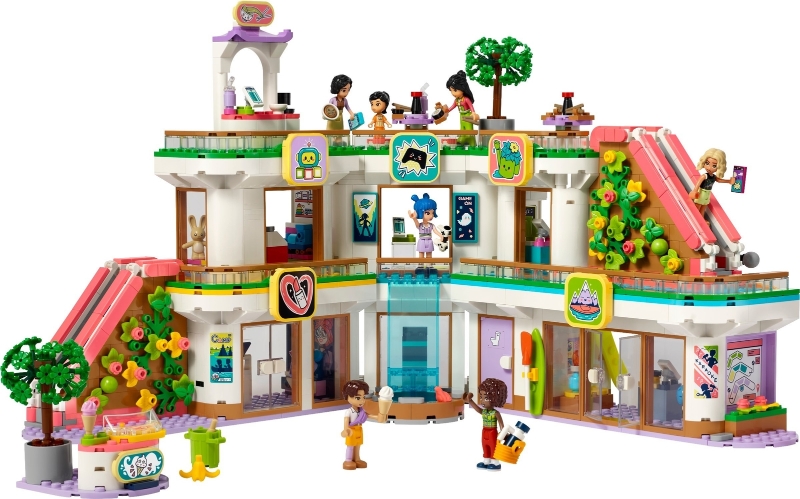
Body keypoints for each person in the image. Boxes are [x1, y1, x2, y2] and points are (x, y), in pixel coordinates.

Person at [341, 379, 387, 470]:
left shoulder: (361, 411)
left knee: (358, 445)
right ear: (348, 397)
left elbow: (368, 415)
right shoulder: (348, 412)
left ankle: (357, 459)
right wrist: (346, 430)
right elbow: (346, 422)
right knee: (350, 446)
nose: (362, 400)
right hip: (351, 431)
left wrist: (378, 417)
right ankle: (348, 460)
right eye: (358, 398)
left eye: (364, 397)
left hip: (359, 430)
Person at [464, 378, 507, 471]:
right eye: (481, 397)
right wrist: (470, 401)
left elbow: (501, 424)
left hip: (493, 432)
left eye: (486, 398)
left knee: (493, 446)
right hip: (484, 431)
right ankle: (486, 460)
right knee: (485, 445)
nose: (483, 401)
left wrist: (503, 433)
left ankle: (495, 462)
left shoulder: (496, 413)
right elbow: (478, 409)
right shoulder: (484, 411)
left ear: (495, 398)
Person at [689, 148, 735, 218]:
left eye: (714, 166)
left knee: (704, 206)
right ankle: (695, 218)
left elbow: (719, 180)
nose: (709, 168)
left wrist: (729, 181)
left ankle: (701, 218)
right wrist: (695, 191)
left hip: (708, 193)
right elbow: (698, 183)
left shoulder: (713, 176)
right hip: (702, 192)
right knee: (698, 205)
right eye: (707, 163)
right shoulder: (704, 176)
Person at [439, 70, 479, 146]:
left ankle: (471, 142)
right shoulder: (457, 100)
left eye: (455, 90)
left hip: (468, 115)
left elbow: (471, 107)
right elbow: (452, 107)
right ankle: (463, 138)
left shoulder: (466, 99)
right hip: (461, 115)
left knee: (469, 129)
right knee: (462, 128)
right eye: (451, 91)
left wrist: (473, 113)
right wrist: (446, 111)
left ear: (462, 88)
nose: (453, 93)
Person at [408, 193, 444, 259]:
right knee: (421, 256)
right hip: (421, 241)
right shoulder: (420, 225)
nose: (431, 216)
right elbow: (416, 224)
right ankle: (421, 265)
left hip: (429, 241)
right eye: (428, 213)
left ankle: (429, 265)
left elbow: (436, 231)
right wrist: (414, 218)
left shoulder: (431, 225)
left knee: (429, 256)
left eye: (432, 213)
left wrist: (441, 236)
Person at [327, 75, 356, 144]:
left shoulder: (345, 100)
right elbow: (328, 109)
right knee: (331, 131)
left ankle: (338, 142)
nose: (346, 93)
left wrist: (352, 114)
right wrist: (328, 115)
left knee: (340, 131)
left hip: (340, 118)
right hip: (332, 119)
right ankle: (329, 142)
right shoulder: (332, 100)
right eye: (344, 90)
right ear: (337, 89)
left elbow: (348, 108)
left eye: (348, 90)